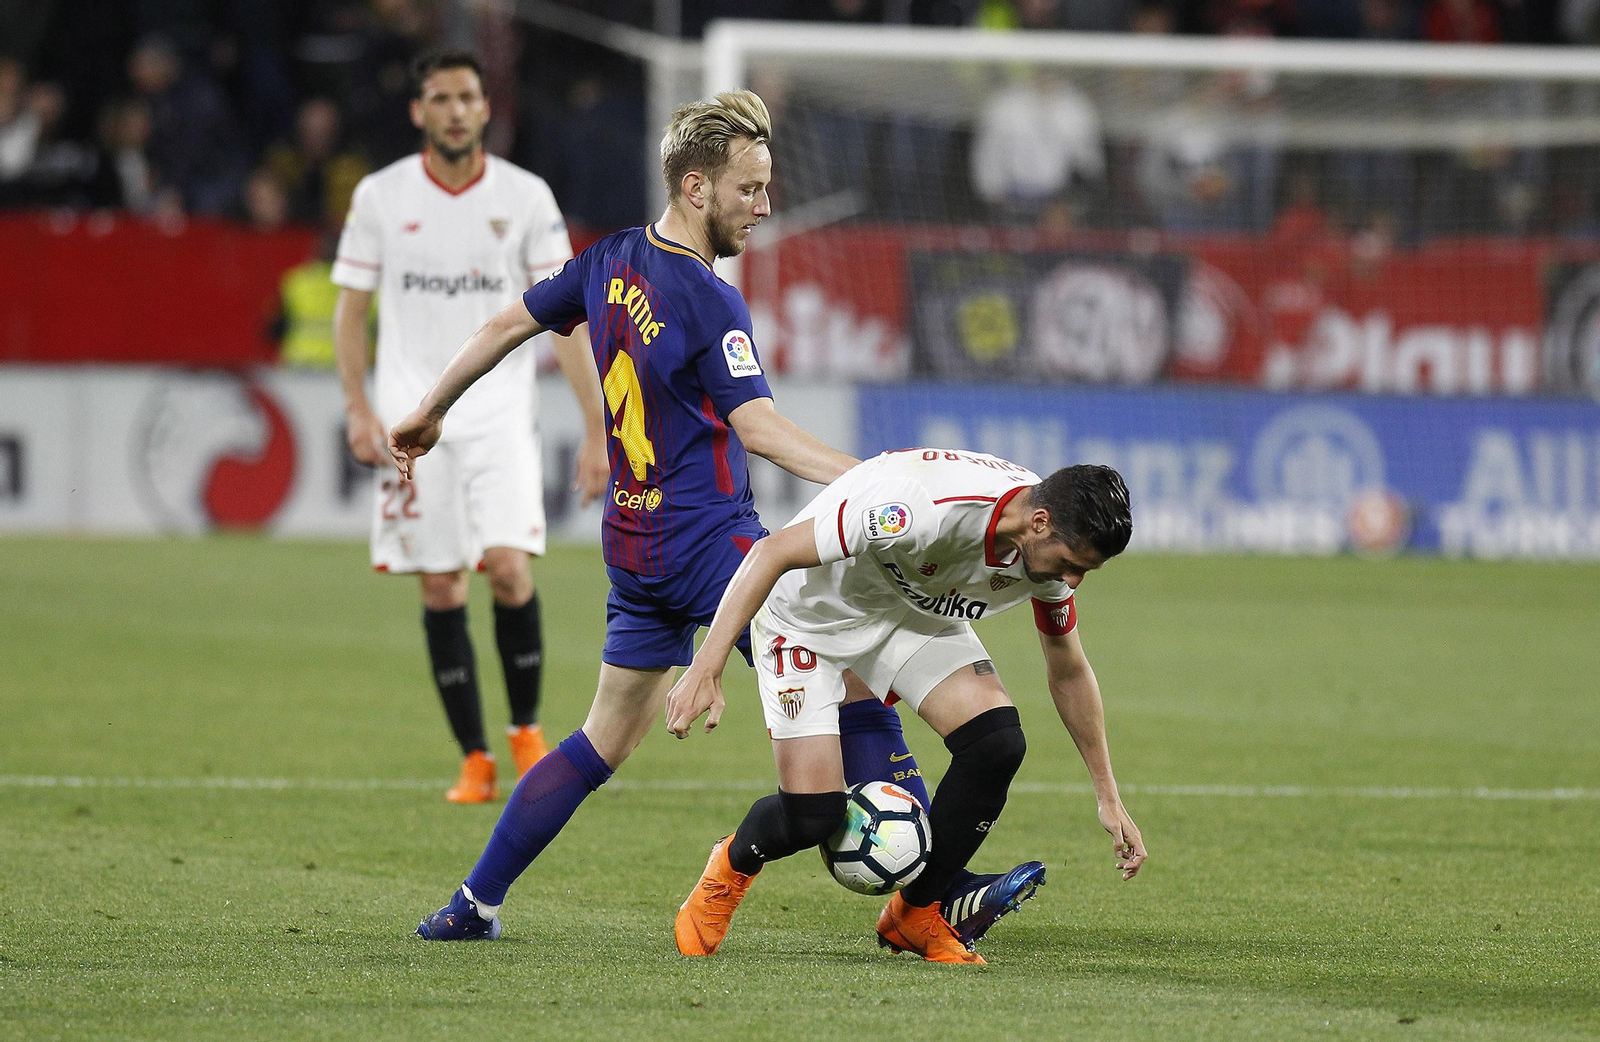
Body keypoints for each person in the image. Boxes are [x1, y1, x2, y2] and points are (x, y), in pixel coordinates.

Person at [392, 90, 1047, 948]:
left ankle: (473, 904)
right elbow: (759, 428)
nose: (765, 206)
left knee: (600, 740)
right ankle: (936, 893)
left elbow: (507, 321)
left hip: (633, 552)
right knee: (850, 669)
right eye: (751, 188)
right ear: (697, 187)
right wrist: (880, 481)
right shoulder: (708, 299)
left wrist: (430, 408)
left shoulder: (609, 259)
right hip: (715, 548)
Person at [666, 451, 1148, 964]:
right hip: (809, 618)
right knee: (814, 815)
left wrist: (1108, 794)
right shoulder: (921, 508)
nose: (1071, 582)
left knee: (996, 744)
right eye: (1072, 566)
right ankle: (731, 865)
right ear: (1039, 523)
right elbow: (771, 552)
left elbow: (1068, 668)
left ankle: (917, 913)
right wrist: (706, 664)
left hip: (908, 613)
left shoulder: (1047, 546)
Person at [332, 48, 609, 804]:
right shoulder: (381, 197)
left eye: (467, 97)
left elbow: (566, 320)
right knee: (441, 585)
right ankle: (474, 758)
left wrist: (595, 426)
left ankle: (525, 734)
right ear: (419, 111)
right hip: (410, 423)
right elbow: (351, 310)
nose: (455, 110)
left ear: (486, 109)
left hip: (498, 421)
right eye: (441, 98)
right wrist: (358, 406)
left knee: (510, 569)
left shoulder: (525, 197)